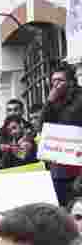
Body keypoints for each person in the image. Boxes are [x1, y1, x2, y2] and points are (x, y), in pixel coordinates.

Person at [41, 63, 82, 205]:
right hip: (59, 167)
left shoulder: (80, 98)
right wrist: (49, 102)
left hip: (78, 165)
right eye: (53, 81)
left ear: (71, 82)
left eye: (60, 80)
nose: (56, 85)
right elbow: (42, 126)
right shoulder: (53, 102)